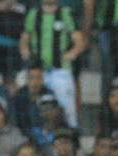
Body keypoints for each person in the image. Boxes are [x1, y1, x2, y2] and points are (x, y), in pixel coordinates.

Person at [19, 0, 85, 129]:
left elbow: (79, 41)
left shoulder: (66, 13)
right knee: (31, 102)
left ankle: (71, 131)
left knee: (66, 106)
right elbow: (24, 39)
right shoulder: (33, 14)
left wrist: (71, 54)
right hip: (38, 71)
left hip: (60, 70)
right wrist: (25, 53)